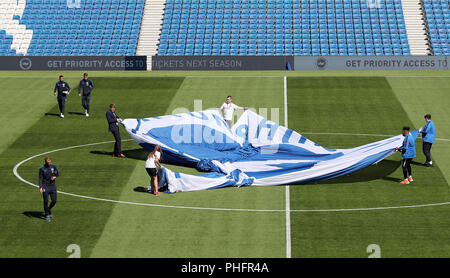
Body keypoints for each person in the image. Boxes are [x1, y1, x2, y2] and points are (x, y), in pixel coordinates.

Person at [39, 157, 59, 222]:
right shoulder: (42, 168)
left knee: (54, 200)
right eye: (47, 162)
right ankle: (47, 215)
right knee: (46, 201)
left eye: (49, 162)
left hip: (53, 186)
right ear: (45, 162)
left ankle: (48, 209)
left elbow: (57, 173)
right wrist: (41, 187)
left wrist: (55, 176)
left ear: (50, 161)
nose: (49, 163)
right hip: (45, 187)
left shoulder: (53, 166)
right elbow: (40, 178)